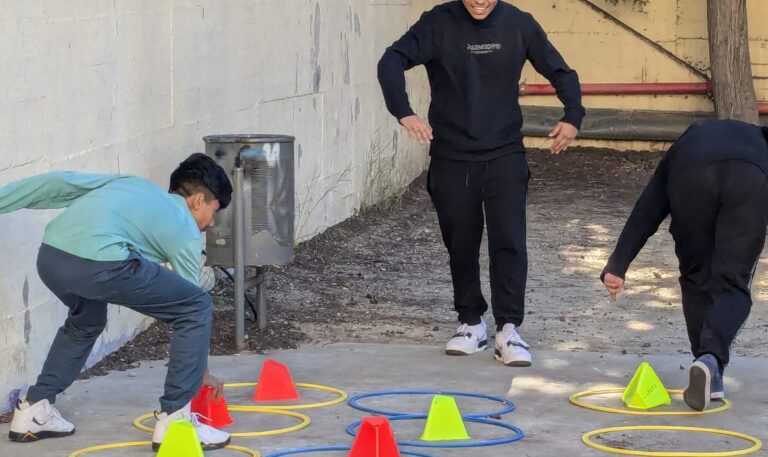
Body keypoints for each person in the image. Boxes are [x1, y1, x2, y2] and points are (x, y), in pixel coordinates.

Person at [378, 0, 585, 366]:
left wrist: (573, 115)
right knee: (461, 241)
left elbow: (560, 71)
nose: (479, 1)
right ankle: (471, 322)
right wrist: (403, 112)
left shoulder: (519, 25)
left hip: (504, 152)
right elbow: (391, 60)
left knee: (509, 240)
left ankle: (508, 329)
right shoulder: (438, 23)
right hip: (452, 155)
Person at [2, 153, 234, 450]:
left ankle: (34, 409)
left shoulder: (131, 184)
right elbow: (189, 303)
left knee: (87, 321)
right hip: (101, 265)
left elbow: (57, 183)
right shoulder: (185, 227)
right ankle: (176, 421)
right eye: (214, 212)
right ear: (198, 200)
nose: (211, 223)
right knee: (196, 306)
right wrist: (203, 373)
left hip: (51, 258)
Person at [601, 119, 768, 411]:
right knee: (732, 281)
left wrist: (618, 263)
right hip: (747, 179)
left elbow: (650, 203)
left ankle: (706, 365)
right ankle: (711, 360)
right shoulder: (760, 148)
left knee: (695, 275)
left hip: (691, 170)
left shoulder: (692, 136)